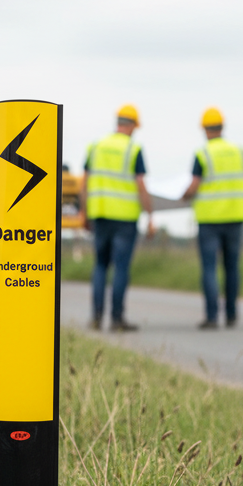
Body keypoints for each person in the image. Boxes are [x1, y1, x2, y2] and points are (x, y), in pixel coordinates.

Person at [84, 104, 153, 331]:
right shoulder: (133, 150)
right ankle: (116, 319)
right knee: (121, 268)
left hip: (100, 214)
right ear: (132, 125)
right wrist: (150, 215)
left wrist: (84, 212)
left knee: (101, 266)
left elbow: (85, 182)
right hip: (125, 219)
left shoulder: (96, 146)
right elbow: (141, 185)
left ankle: (95, 318)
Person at [182, 108, 243, 329]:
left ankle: (212, 317)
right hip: (235, 217)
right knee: (232, 267)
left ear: (204, 129)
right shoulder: (241, 152)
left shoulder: (203, 154)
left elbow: (193, 186)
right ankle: (231, 315)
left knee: (210, 268)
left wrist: (184, 196)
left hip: (210, 219)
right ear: (223, 127)